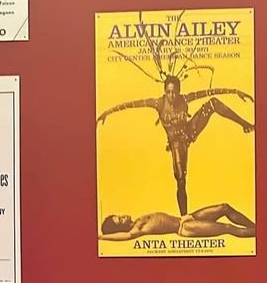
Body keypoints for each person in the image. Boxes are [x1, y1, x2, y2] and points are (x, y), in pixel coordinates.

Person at [97, 76, 254, 215]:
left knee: (212, 103)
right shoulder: (158, 103)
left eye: (175, 92)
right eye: (169, 92)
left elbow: (210, 91)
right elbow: (132, 104)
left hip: (190, 130)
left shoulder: (184, 99)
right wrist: (108, 112)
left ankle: (246, 125)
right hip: (176, 142)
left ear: (179, 91)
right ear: (165, 91)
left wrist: (235, 91)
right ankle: (184, 218)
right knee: (180, 179)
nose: (172, 96)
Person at [100, 203, 255, 242]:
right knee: (228, 228)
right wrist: (100, 237)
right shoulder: (136, 229)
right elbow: (126, 236)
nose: (123, 216)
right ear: (119, 227)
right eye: (120, 219)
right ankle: (262, 233)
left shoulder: (139, 220)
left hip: (186, 218)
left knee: (224, 207)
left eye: (119, 215)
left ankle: (255, 227)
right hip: (185, 227)